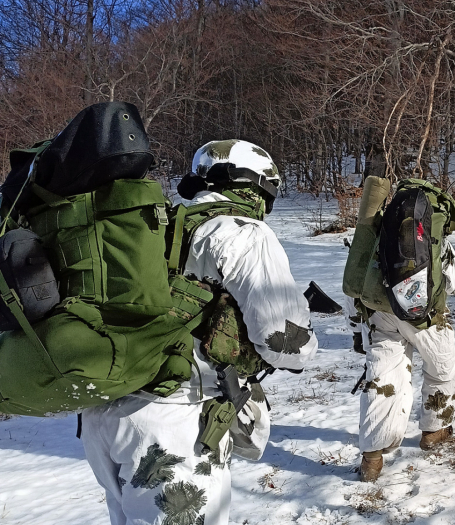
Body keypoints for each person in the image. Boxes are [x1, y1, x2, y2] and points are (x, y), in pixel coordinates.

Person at [81, 139, 318, 525]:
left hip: (104, 410)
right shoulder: (244, 232)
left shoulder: (154, 223)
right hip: (172, 419)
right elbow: (284, 342)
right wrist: (308, 338)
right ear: (260, 187)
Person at [346, 178, 455, 483]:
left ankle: (372, 457)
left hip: (380, 315)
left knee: (383, 379)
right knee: (442, 369)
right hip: (426, 320)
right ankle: (433, 431)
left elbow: (356, 283)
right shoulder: (431, 236)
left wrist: (355, 325)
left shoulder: (378, 232)